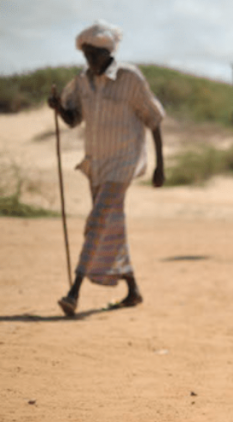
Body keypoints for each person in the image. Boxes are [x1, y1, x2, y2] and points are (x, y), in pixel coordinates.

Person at [49, 21, 165, 318]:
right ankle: (133, 289)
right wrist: (59, 108)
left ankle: (74, 292)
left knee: (97, 221)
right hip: (96, 165)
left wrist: (159, 166)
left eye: (94, 55)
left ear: (108, 53)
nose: (89, 61)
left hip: (124, 163)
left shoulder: (130, 78)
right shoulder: (82, 82)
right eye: (85, 55)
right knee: (111, 224)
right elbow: (73, 119)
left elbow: (153, 119)